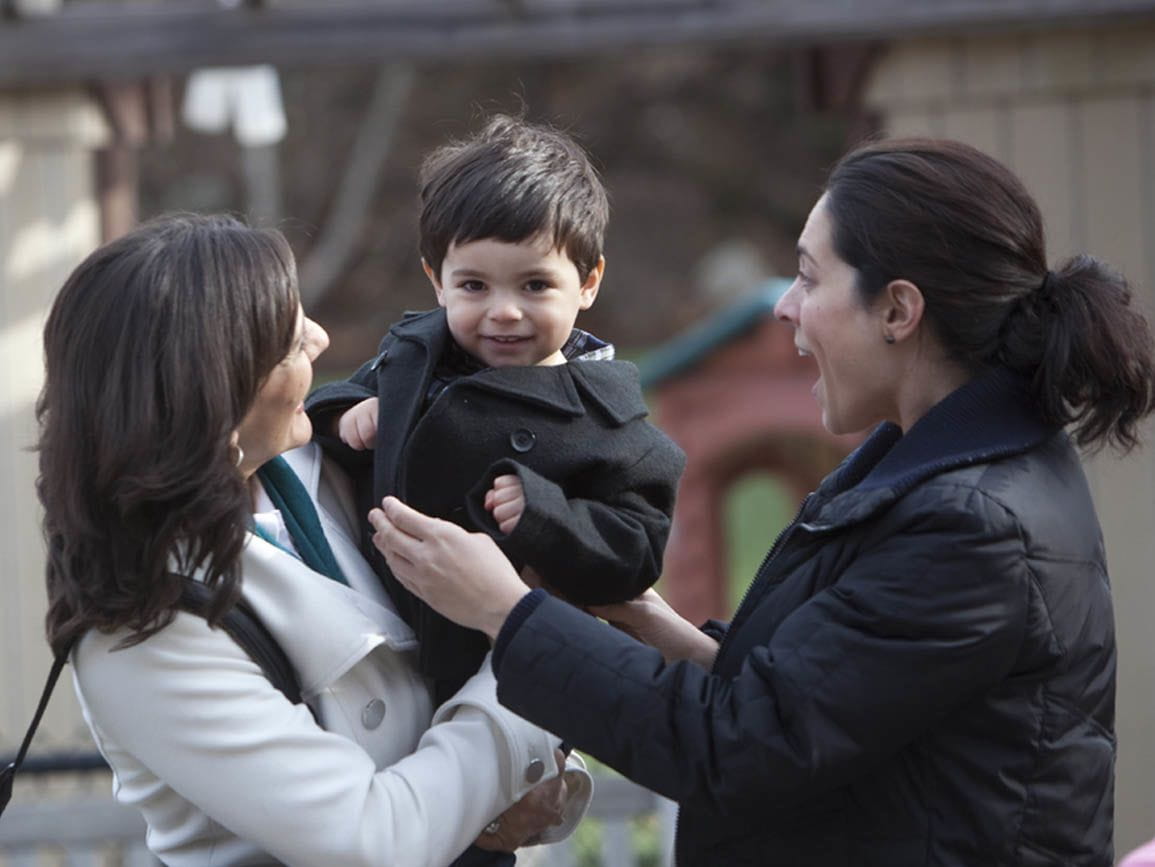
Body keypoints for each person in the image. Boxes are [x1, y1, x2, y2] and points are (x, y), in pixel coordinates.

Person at [368, 138, 1155, 866]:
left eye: (809, 277)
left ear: (897, 310)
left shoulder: (974, 526)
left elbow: (743, 745)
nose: (784, 307)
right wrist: (650, 623)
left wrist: (505, 611)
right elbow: (816, 703)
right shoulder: (945, 472)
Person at [36, 213, 591, 867]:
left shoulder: (334, 465)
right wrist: (534, 642)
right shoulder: (142, 628)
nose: (320, 338)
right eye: (286, 337)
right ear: (212, 386)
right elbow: (370, 841)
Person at [306, 114, 685, 702]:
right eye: (474, 286)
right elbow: (317, 414)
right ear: (438, 281)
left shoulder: (608, 425)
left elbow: (634, 556)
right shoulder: (413, 357)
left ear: (588, 282)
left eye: (535, 286)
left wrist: (546, 511)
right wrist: (348, 414)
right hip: (377, 648)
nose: (504, 312)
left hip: (508, 678)